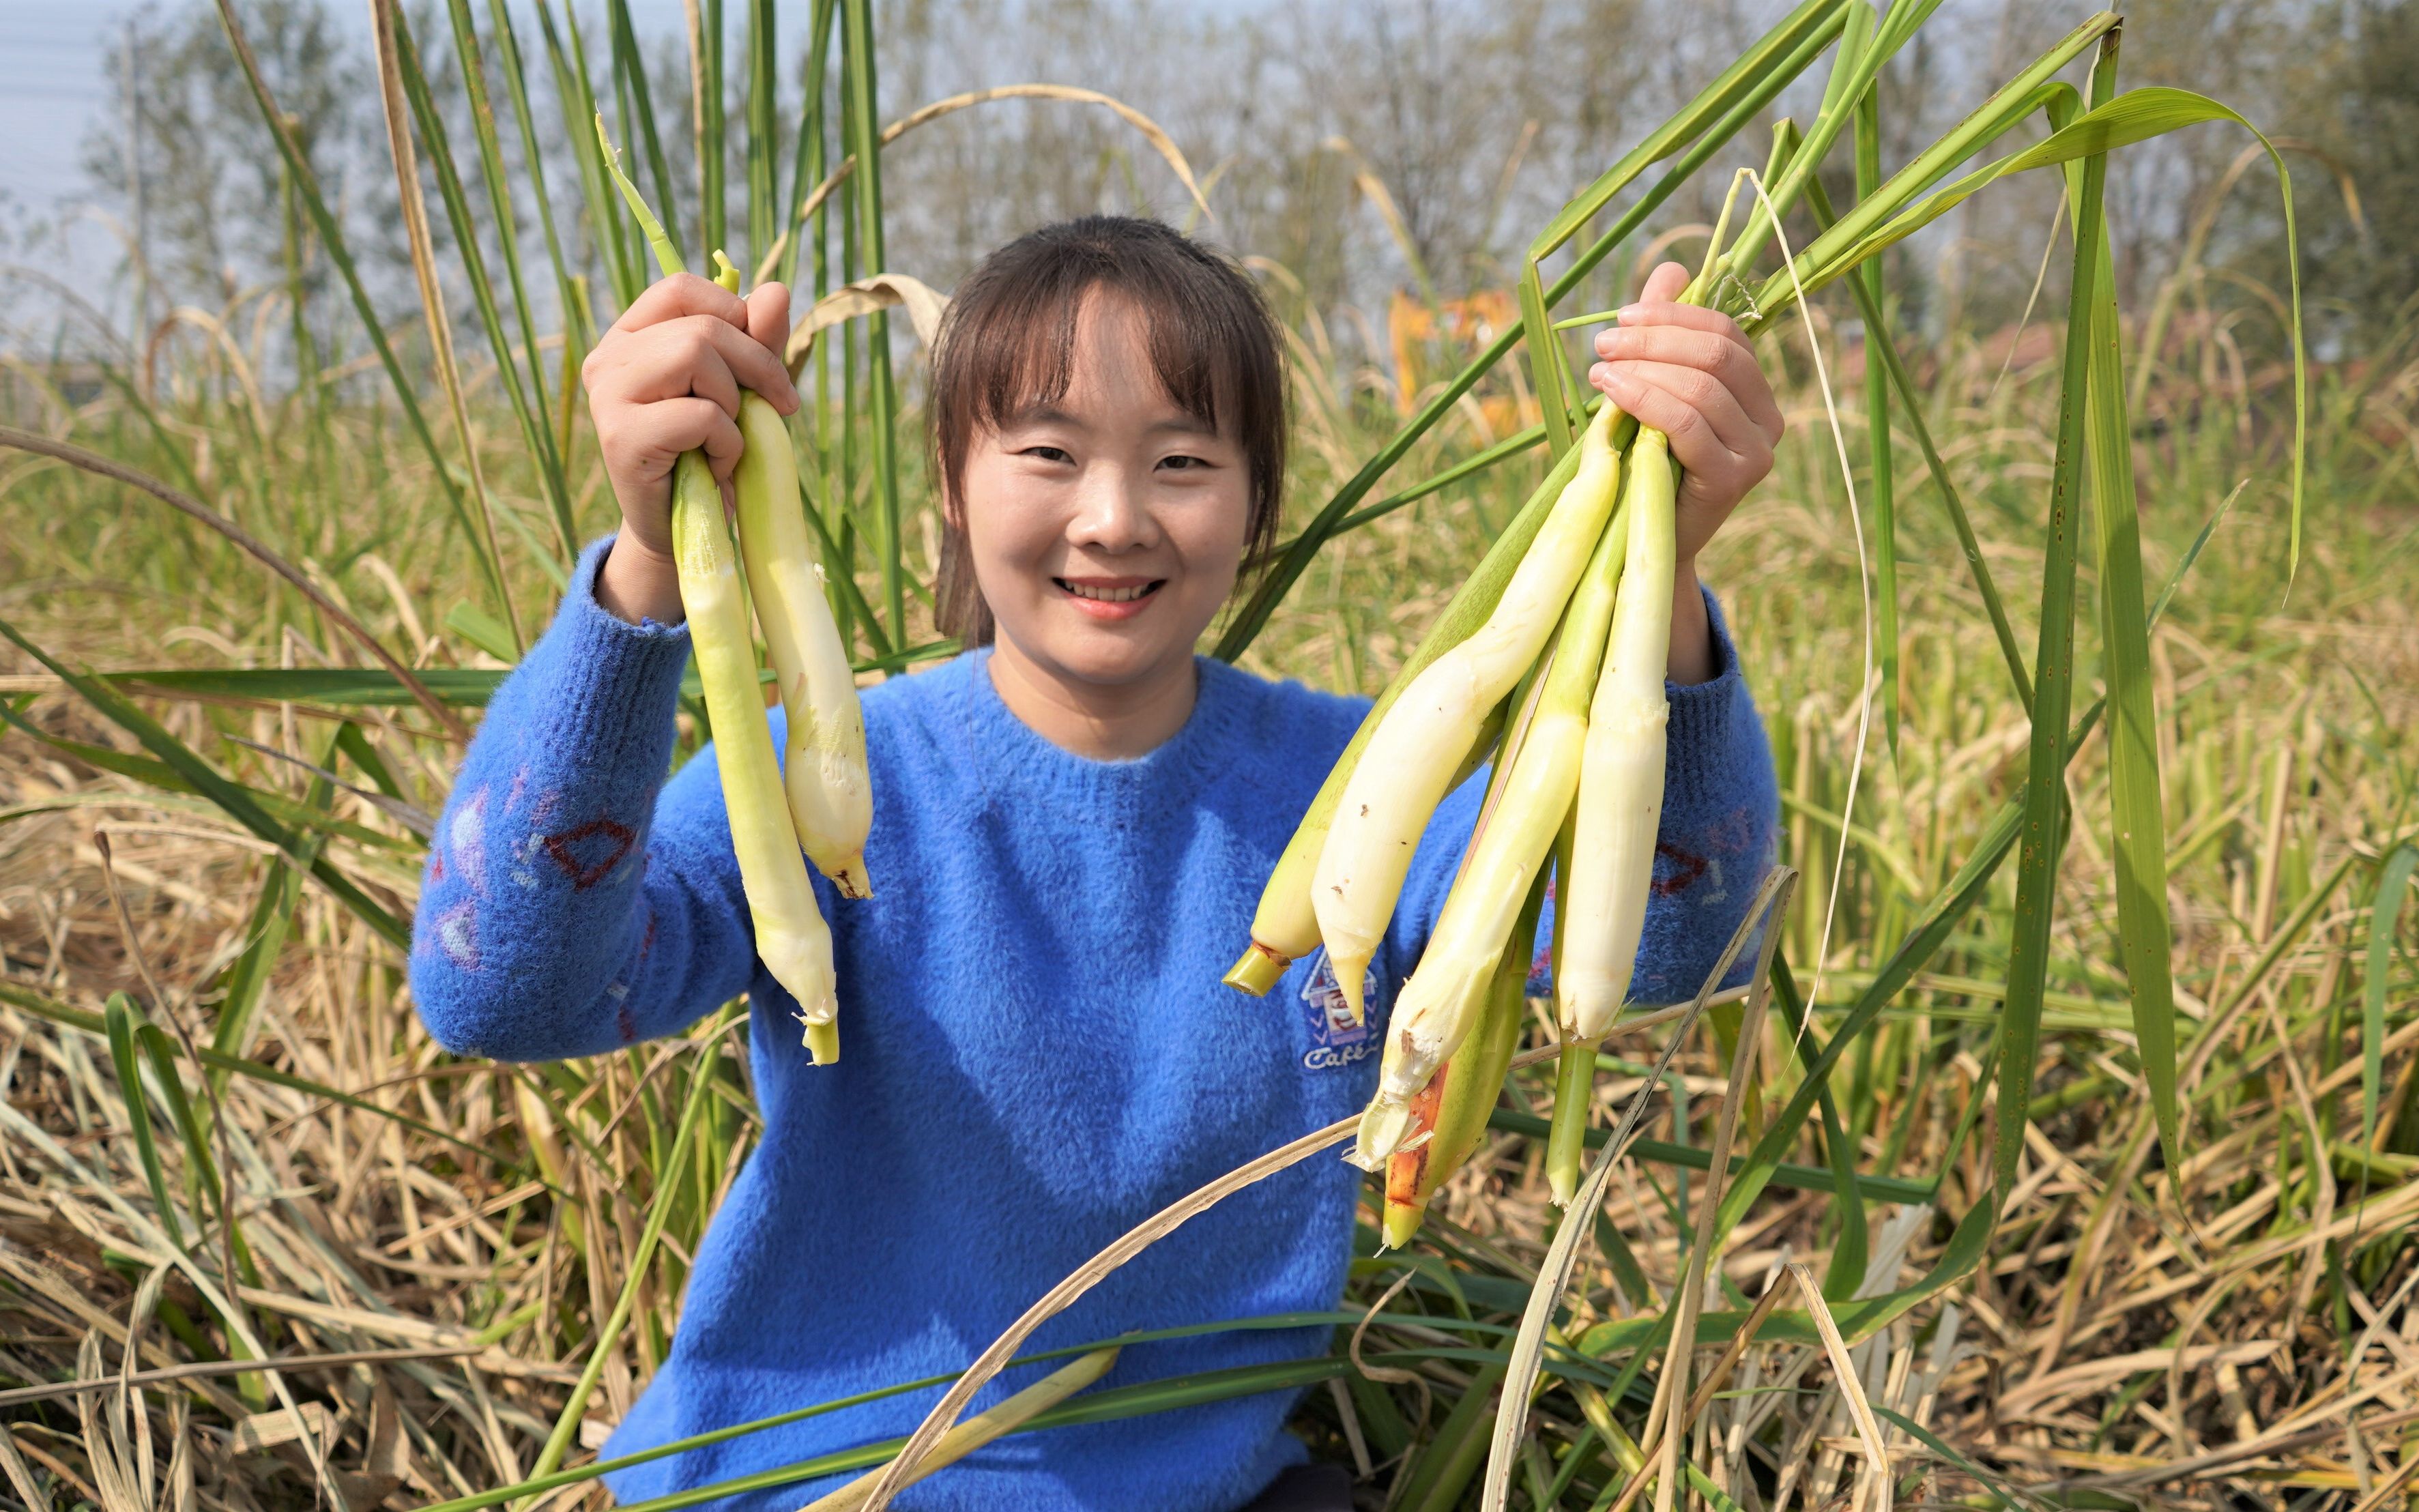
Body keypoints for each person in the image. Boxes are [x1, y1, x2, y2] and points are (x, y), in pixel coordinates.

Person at [409, 215, 1783, 1512]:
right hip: (818, 1479)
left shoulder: (1368, 793)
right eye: (1050, 454)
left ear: (1256, 505)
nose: (1116, 516)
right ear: (951, 487)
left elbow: (1673, 959)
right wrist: (651, 562)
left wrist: (1658, 554)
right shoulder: (823, 785)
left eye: (1184, 463)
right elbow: (509, 995)